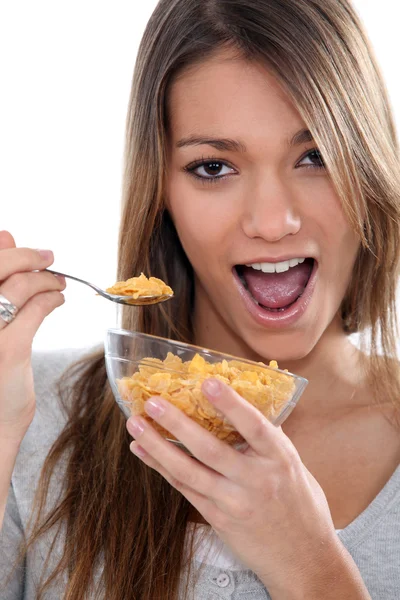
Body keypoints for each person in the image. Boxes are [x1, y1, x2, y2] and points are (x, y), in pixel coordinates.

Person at [1, 0, 400, 598]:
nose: (272, 222)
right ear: (159, 186)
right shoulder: (30, 413)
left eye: (316, 157)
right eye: (213, 167)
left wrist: (312, 566)